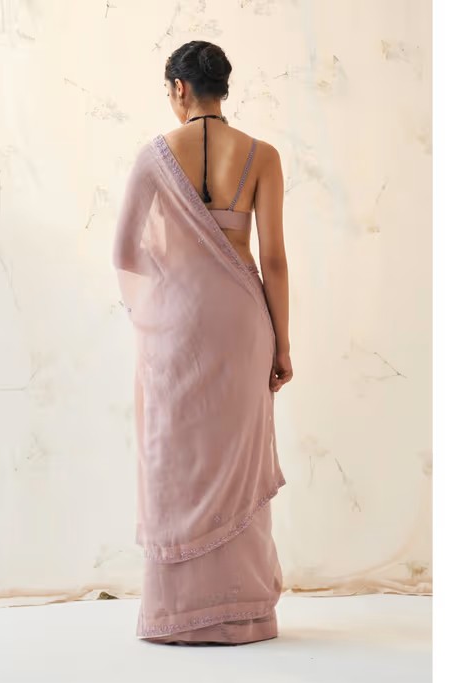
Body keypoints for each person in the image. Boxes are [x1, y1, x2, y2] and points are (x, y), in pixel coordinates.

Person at [112, 40, 293, 646]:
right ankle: (244, 612)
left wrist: (173, 285)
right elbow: (274, 259)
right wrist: (282, 345)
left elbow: (125, 252)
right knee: (236, 456)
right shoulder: (263, 155)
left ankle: (177, 613)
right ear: (222, 87)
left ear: (180, 88)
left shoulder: (154, 156)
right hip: (243, 323)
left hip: (177, 324)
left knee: (175, 452)